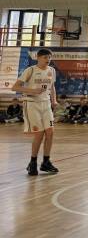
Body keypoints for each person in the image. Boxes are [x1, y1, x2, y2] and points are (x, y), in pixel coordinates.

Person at [11, 48, 59, 176]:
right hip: (32, 104)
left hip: (46, 104)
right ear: (38, 57)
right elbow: (15, 87)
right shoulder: (30, 70)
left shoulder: (52, 70)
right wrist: (33, 91)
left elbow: (52, 87)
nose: (48, 60)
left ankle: (46, 162)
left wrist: (54, 100)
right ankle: (32, 162)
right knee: (39, 134)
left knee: (50, 132)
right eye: (45, 57)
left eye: (49, 57)